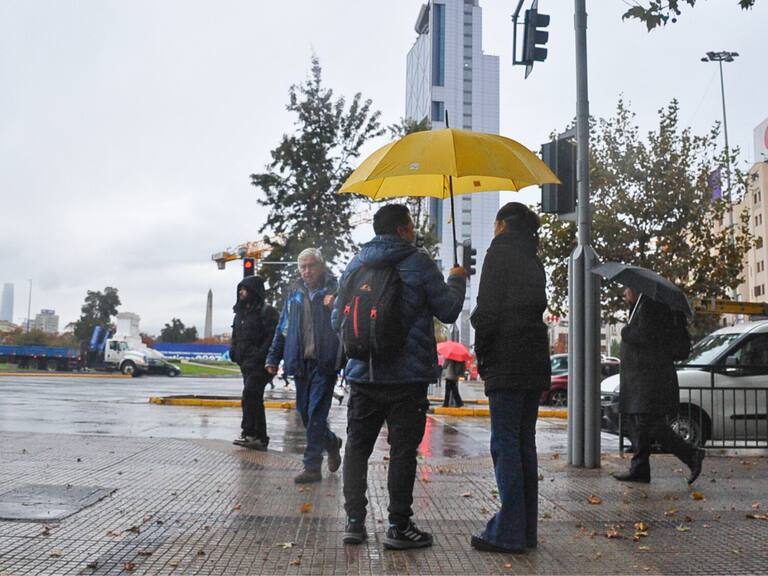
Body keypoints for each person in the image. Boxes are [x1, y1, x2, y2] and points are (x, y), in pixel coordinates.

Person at [334, 204, 466, 549]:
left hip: (363, 374)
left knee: (357, 448)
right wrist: (457, 278)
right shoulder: (418, 262)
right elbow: (448, 310)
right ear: (402, 229)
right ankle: (399, 526)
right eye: (410, 226)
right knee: (403, 452)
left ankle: (353, 523)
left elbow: (337, 320)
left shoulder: (356, 263)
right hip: (408, 379)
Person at [470, 202, 551, 554]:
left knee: (505, 446)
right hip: (534, 360)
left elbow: (488, 311)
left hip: (506, 358)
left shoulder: (498, 253)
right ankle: (524, 529)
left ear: (502, 224)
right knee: (523, 444)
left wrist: (482, 351)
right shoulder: (534, 258)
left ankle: (507, 533)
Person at [265, 248, 343, 484]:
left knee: (316, 412)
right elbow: (283, 328)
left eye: (311, 266)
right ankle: (332, 442)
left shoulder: (335, 290)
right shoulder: (295, 294)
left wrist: (337, 305)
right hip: (300, 362)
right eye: (303, 267)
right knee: (306, 415)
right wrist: (273, 358)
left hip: (325, 362)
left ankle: (312, 466)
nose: (307, 271)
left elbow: (349, 320)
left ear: (321, 266)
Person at [613, 288, 705, 484]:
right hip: (643, 378)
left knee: (649, 424)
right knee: (639, 424)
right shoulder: (643, 306)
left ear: (636, 289)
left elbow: (647, 336)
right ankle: (639, 468)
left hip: (649, 378)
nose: (625, 293)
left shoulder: (650, 307)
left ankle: (691, 454)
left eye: (627, 289)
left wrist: (627, 331)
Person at [230, 275, 280, 451]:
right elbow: (236, 335)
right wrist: (234, 352)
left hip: (261, 364)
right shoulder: (240, 313)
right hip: (245, 363)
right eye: (240, 289)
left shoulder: (267, 312)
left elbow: (272, 337)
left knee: (250, 394)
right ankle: (258, 437)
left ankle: (250, 433)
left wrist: (259, 355)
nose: (241, 292)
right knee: (254, 398)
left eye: (245, 289)